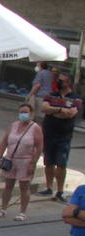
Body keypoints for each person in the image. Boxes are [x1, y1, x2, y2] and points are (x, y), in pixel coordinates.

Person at [0, 103, 44, 221]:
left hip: (25, 160)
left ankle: (22, 212)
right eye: (21, 112)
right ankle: (3, 208)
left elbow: (39, 147)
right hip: (10, 159)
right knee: (8, 185)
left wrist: (33, 163)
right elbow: (4, 142)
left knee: (24, 186)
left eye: (26, 112)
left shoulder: (35, 128)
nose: (23, 115)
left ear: (31, 113)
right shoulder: (13, 125)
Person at [38, 74, 80, 203]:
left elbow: (71, 113)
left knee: (61, 164)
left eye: (61, 80)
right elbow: (44, 108)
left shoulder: (75, 98)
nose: (58, 82)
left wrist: (53, 110)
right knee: (48, 162)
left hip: (64, 135)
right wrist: (61, 109)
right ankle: (49, 187)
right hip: (49, 133)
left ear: (68, 83)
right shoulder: (51, 95)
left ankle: (60, 191)